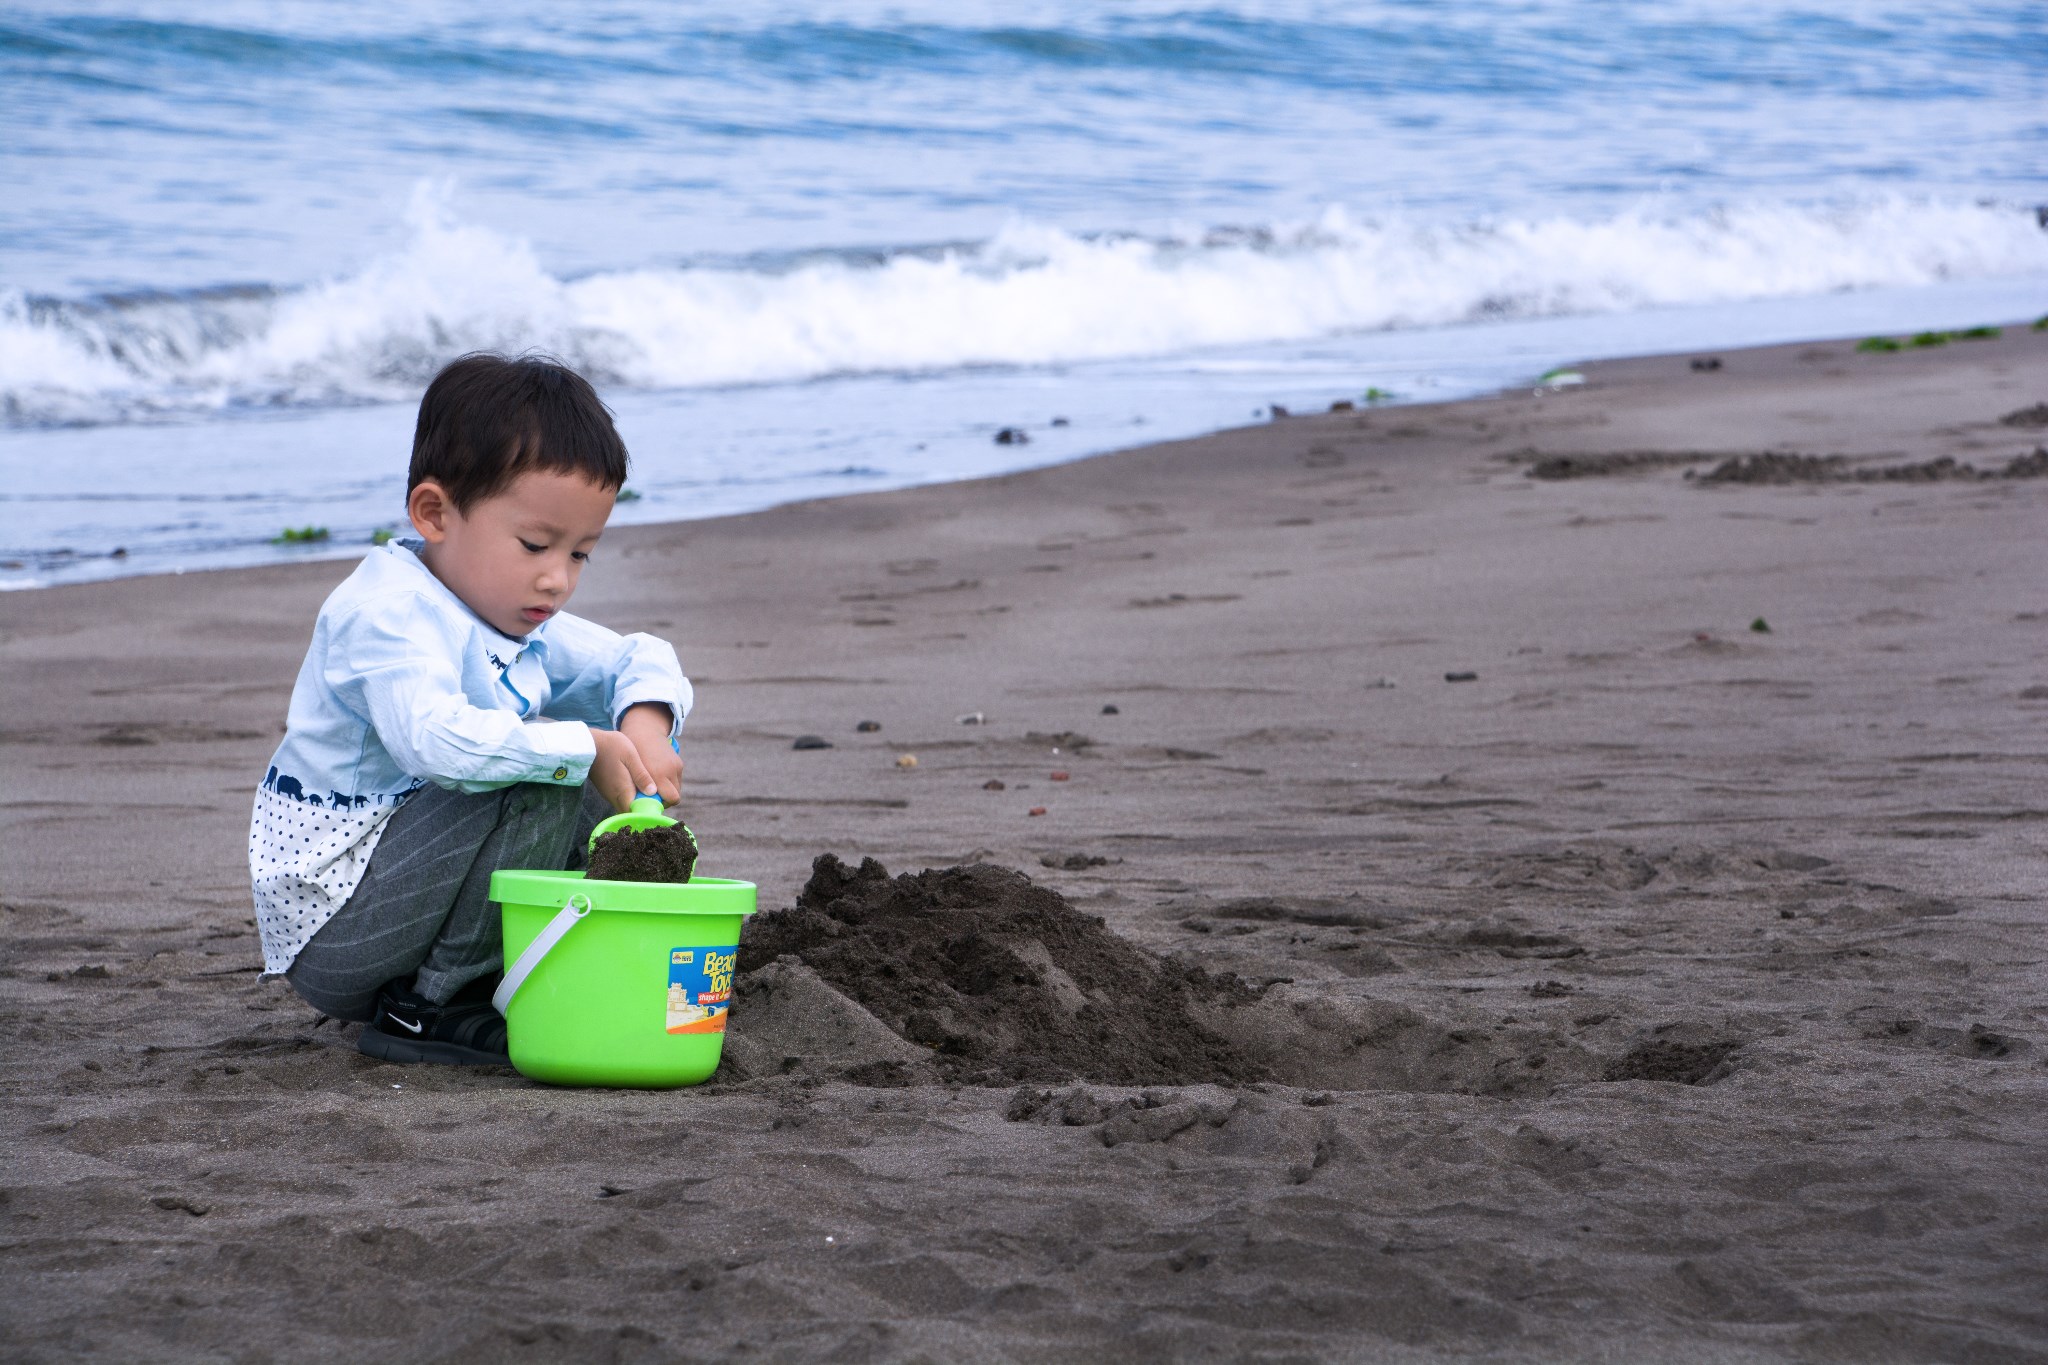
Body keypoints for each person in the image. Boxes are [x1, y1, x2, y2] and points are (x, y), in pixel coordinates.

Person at [249, 353, 689, 1066]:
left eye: (582, 554)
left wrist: (642, 724)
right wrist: (585, 747)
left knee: (589, 770)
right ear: (435, 513)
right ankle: (433, 1006)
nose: (558, 577)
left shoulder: (506, 613)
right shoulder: (389, 613)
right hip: (337, 927)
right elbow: (435, 742)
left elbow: (635, 656)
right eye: (536, 544)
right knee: (545, 760)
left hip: (414, 897)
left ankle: (528, 963)